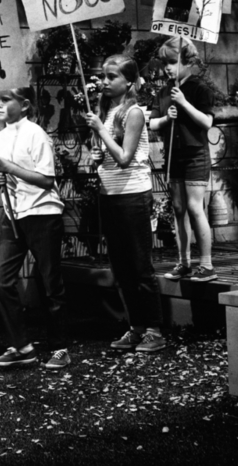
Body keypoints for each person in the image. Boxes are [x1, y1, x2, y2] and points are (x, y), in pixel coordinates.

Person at [86, 55, 165, 353]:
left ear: (128, 81)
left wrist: (101, 131)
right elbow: (109, 156)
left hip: (133, 195)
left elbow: (124, 158)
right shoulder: (108, 110)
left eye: (111, 77)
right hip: (110, 195)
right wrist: (96, 157)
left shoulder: (133, 113)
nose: (104, 82)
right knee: (120, 266)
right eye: (103, 76)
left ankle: (155, 330)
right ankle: (136, 327)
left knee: (139, 265)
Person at [0, 87, 70, 370]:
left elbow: (47, 179)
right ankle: (22, 345)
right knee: (0, 279)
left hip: (42, 214)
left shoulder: (36, 134)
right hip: (12, 215)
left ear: (24, 105)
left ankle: (60, 347)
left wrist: (10, 168)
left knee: (50, 284)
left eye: (5, 100)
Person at [149, 37, 216, 282]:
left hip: (195, 154)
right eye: (164, 62)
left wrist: (185, 104)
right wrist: (167, 118)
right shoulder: (165, 91)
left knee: (195, 208)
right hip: (173, 155)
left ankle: (207, 265)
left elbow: (207, 122)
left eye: (171, 61)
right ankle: (183, 262)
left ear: (187, 60)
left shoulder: (199, 88)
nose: (166, 67)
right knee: (178, 209)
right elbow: (153, 122)